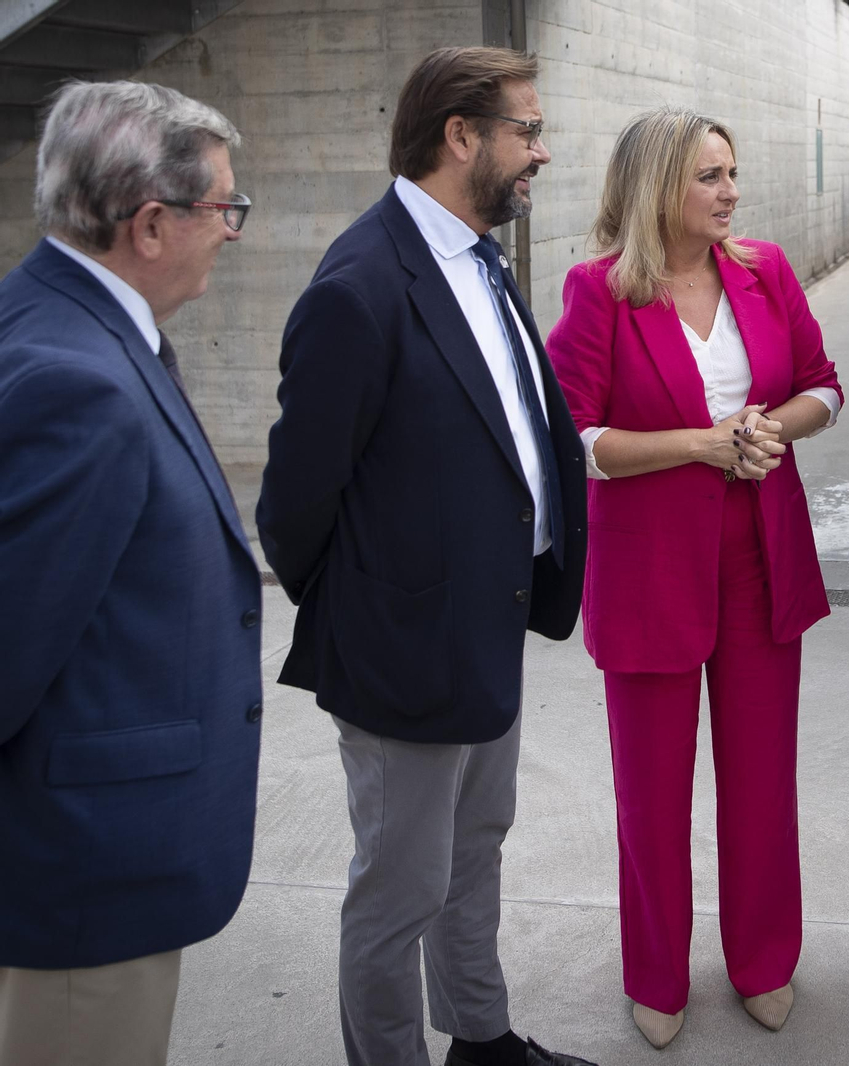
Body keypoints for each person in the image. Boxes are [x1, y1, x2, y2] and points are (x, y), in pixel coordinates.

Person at [256, 47, 593, 1066]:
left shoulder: (479, 257)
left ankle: (481, 1042)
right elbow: (294, 506)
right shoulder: (360, 286)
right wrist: (380, 612)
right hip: (404, 652)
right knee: (398, 891)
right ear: (460, 137)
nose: (541, 152)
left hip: (489, 621)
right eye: (528, 131)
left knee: (475, 852)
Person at [546, 105, 843, 1051]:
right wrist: (700, 444)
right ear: (657, 186)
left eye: (731, 172)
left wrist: (767, 429)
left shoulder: (766, 271)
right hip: (648, 571)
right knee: (651, 793)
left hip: (762, 555)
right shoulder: (598, 291)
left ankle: (763, 961)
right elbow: (573, 439)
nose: (731, 192)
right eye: (710, 176)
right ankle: (657, 976)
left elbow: (825, 387)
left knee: (762, 780)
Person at [0, 81, 260, 1066]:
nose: (231, 231)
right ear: (150, 225)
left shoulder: (62, 321)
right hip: (85, 883)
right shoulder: (78, 383)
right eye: (223, 206)